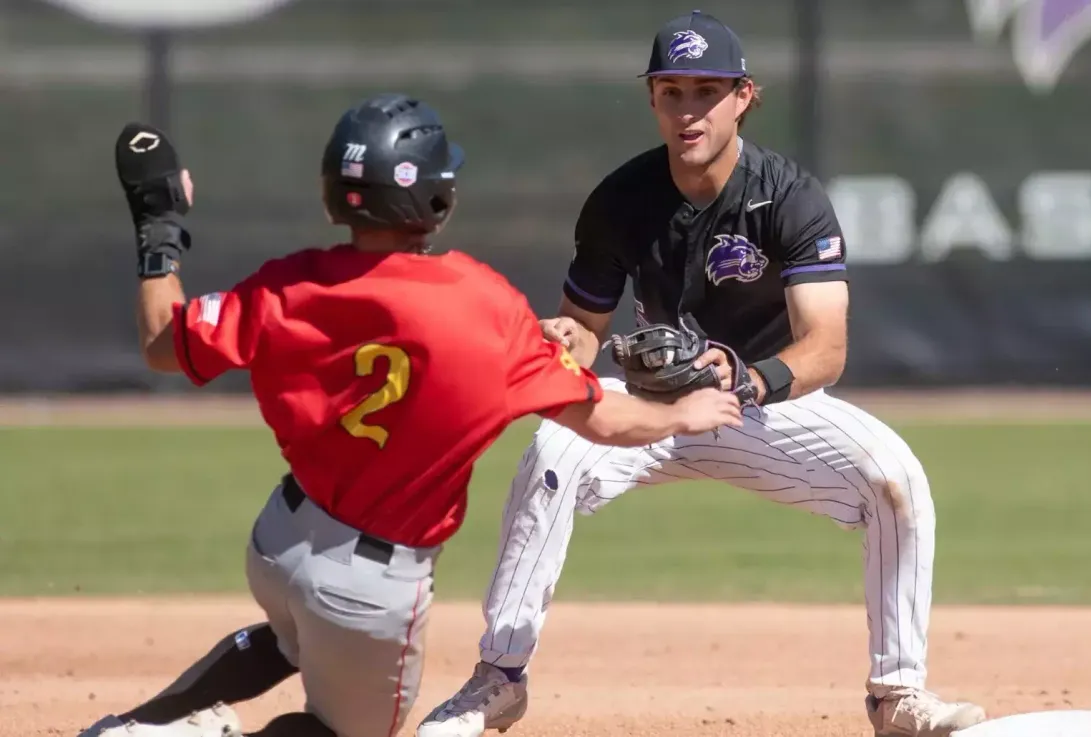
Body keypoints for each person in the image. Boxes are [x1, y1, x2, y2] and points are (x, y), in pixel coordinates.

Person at [77, 93, 743, 737]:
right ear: (436, 198)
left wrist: (158, 227)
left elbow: (164, 344)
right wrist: (681, 413)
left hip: (278, 540)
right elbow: (601, 421)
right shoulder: (484, 308)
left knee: (290, 635)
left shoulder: (289, 284)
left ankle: (140, 723)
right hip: (369, 590)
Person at [414, 11, 989, 737]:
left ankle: (897, 694)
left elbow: (825, 348)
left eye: (707, 91)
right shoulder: (621, 200)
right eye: (673, 91)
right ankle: (498, 678)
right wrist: (567, 339)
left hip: (765, 404)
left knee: (895, 479)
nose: (690, 110)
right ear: (652, 97)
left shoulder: (788, 196)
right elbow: (585, 333)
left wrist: (749, 378)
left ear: (744, 96)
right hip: (654, 404)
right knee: (552, 451)